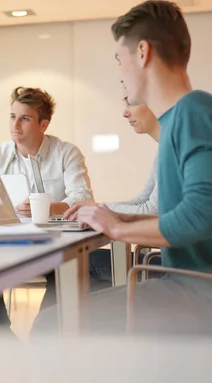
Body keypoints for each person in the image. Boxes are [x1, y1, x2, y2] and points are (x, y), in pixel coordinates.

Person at [55, 0, 212, 336]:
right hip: (206, 289)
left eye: (120, 60)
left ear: (142, 52)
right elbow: (186, 211)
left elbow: (204, 216)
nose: (120, 72)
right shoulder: (185, 118)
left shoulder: (195, 111)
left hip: (210, 296)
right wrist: (116, 216)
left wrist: (117, 230)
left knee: (55, 325)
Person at [0, 86, 94, 337]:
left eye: (25, 118)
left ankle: (40, 334)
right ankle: (3, 332)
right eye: (12, 117)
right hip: (7, 241)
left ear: (43, 124)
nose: (15, 125)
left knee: (61, 270)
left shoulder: (67, 153)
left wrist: (47, 208)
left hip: (49, 243)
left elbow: (84, 198)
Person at [89, 99, 161, 292]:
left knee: (86, 264)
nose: (125, 113)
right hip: (170, 260)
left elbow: (151, 211)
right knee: (87, 262)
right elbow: (141, 200)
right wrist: (99, 209)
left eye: (131, 104)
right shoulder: (164, 149)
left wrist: (99, 212)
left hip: (178, 269)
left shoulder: (174, 148)